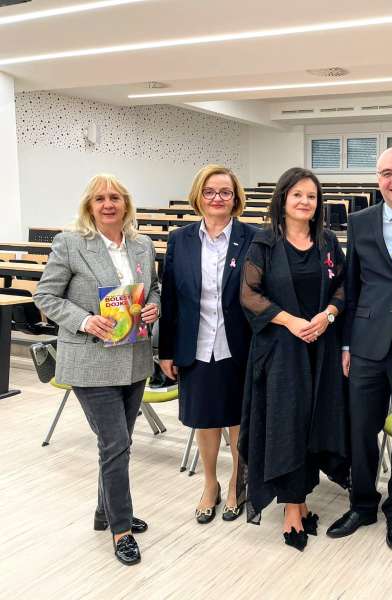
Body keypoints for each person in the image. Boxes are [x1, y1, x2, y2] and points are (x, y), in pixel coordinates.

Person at [33, 174, 160, 566]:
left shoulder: (142, 245)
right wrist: (85, 320)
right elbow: (45, 296)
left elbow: (153, 288)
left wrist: (154, 307)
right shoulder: (70, 243)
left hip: (134, 358)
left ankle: (105, 512)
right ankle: (121, 530)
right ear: (90, 205)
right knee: (115, 443)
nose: (108, 204)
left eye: (115, 198)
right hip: (91, 361)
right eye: (100, 198)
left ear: (126, 204)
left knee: (119, 442)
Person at [326, 148, 392, 550]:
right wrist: (347, 343)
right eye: (387, 173)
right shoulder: (361, 221)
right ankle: (363, 504)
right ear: (378, 180)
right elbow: (352, 284)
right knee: (361, 430)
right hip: (367, 342)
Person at [238, 167, 349, 552]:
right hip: (281, 352)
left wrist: (327, 316)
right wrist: (291, 321)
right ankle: (291, 509)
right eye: (297, 194)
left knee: (313, 424)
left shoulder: (328, 242)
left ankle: (301, 501)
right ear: (283, 198)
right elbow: (249, 295)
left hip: (320, 348)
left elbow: (343, 286)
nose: (305, 201)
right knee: (286, 426)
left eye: (311, 196)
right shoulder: (264, 243)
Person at [158, 165, 258, 524]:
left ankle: (236, 483)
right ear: (198, 196)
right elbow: (170, 298)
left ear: (236, 198)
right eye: (210, 191)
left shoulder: (254, 237)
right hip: (196, 343)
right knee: (204, 418)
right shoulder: (180, 239)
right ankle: (210, 483)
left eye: (225, 192)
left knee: (238, 419)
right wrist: (166, 351)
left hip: (240, 343)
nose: (217, 198)